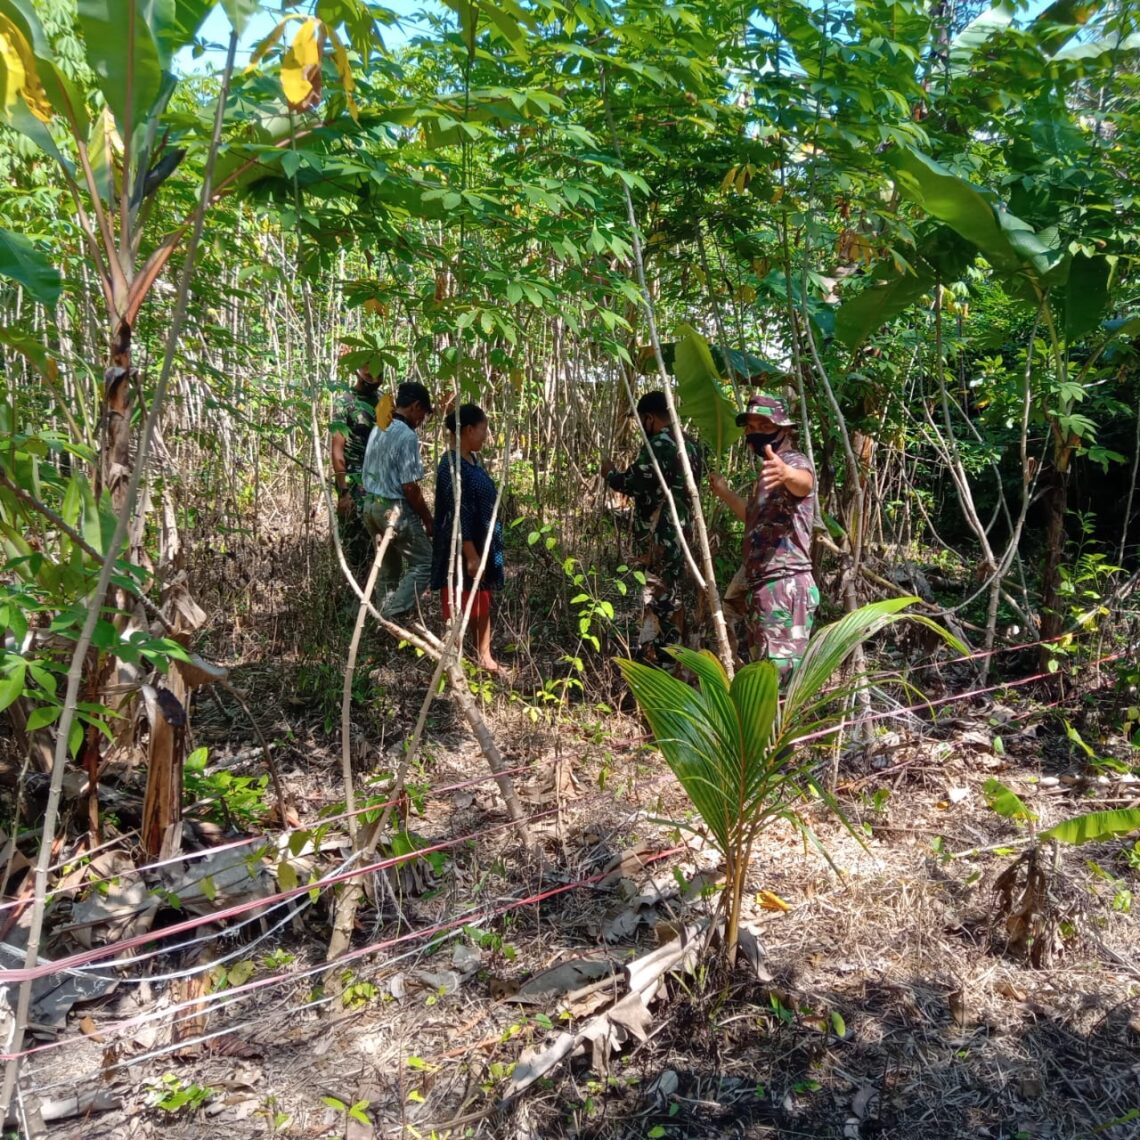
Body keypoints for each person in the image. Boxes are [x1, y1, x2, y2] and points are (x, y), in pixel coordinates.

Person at [709, 393, 818, 681]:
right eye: (750, 427)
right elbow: (753, 520)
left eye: (762, 425)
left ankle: (781, 727)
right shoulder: (769, 472)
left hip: (785, 583)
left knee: (779, 678)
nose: (754, 433)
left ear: (785, 429)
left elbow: (804, 483)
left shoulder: (792, 462)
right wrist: (724, 493)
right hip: (764, 584)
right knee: (762, 672)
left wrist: (786, 473)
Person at [601, 390, 703, 664]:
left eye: (640, 423)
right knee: (671, 594)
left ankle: (662, 661)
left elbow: (632, 483)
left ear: (649, 418)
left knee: (659, 600)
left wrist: (610, 473)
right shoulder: (691, 444)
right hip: (682, 533)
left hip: (661, 536)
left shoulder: (660, 444)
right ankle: (672, 656)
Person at [430, 404, 505, 673]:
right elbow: (458, 513)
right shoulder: (450, 466)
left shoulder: (473, 460)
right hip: (462, 549)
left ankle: (484, 657)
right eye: (483, 430)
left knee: (483, 600)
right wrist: (470, 554)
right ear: (469, 430)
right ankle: (456, 663)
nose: (486, 436)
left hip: (482, 544)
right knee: (459, 604)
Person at [360, 381, 435, 620]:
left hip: (371, 506)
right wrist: (427, 519)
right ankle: (392, 612)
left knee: (389, 568)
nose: (422, 419)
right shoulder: (406, 435)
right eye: (423, 412)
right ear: (415, 406)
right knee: (425, 562)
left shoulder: (379, 427)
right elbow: (410, 487)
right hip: (393, 510)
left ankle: (385, 621)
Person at [330, 362, 382, 577]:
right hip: (354, 480)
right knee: (355, 542)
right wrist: (343, 491)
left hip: (380, 481)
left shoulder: (383, 402)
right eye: (369, 377)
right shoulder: (345, 403)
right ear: (359, 376)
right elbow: (337, 449)